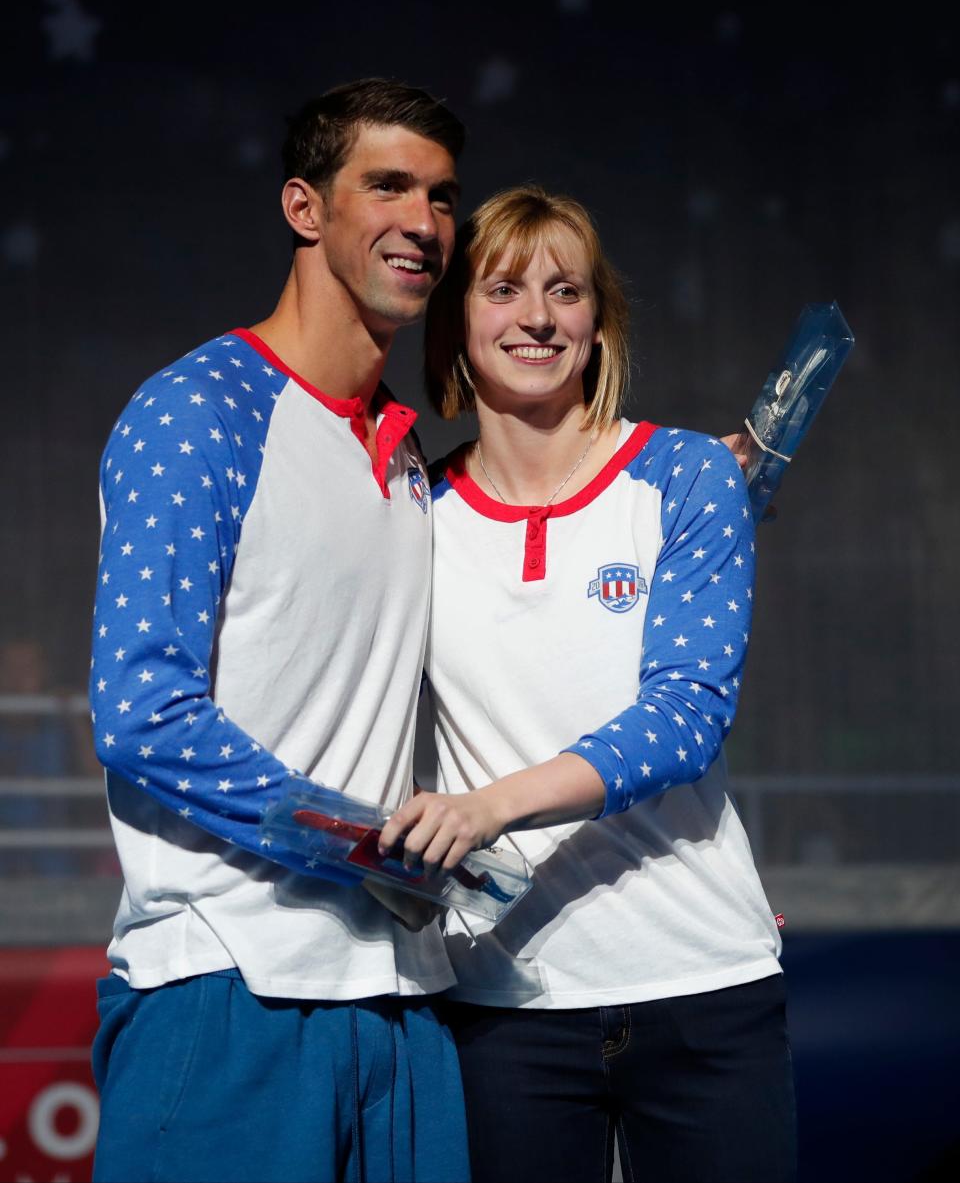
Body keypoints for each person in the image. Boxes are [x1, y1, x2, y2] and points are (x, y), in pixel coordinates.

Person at [88, 80, 470, 1183]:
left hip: (408, 1003)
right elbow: (143, 716)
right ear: (304, 208)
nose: (423, 222)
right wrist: (362, 846)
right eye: (387, 185)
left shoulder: (406, 458)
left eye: (443, 197)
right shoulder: (197, 410)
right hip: (227, 989)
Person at [380, 186, 796, 1183]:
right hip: (499, 1003)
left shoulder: (689, 476)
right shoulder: (408, 508)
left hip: (701, 982)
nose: (536, 316)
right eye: (503, 289)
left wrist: (487, 811)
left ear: (597, 324)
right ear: (454, 327)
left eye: (565, 291)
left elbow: (684, 719)